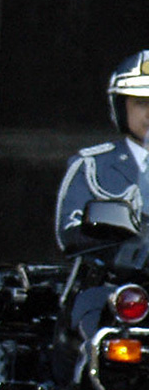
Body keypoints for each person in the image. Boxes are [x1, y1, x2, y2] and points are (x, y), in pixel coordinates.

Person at [55, 50, 149, 253]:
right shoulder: (92, 167)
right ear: (120, 108)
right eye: (141, 103)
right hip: (117, 281)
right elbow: (70, 236)